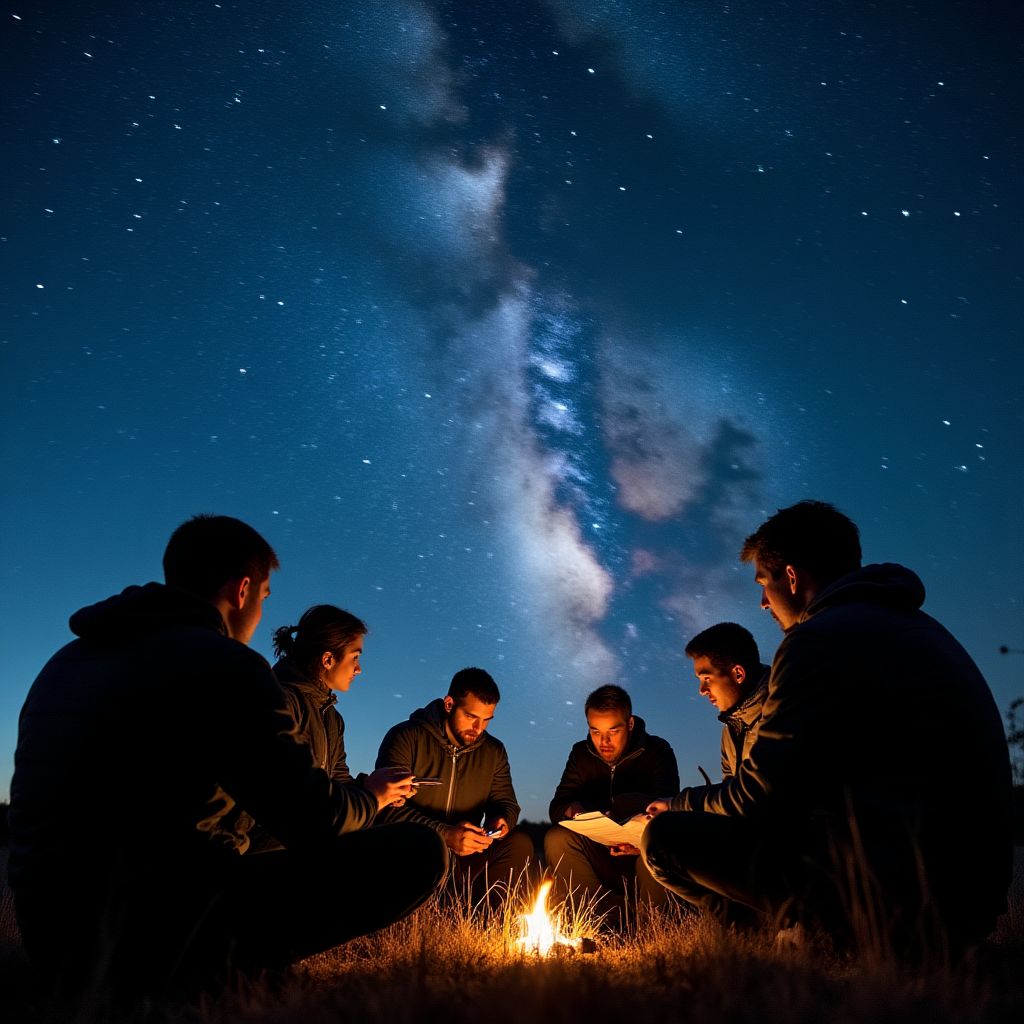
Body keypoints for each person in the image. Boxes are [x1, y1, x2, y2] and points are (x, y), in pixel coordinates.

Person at [8, 515, 447, 1001]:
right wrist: (371, 795)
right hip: (153, 934)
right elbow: (311, 818)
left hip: (52, 937)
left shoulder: (64, 663)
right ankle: (209, 970)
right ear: (243, 590)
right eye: (263, 597)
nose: (261, 612)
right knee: (419, 853)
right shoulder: (227, 667)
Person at [642, 500, 1013, 958]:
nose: (762, 602)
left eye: (764, 583)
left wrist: (680, 804)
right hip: (970, 897)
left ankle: (766, 952)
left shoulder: (814, 642)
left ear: (792, 577)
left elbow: (762, 798)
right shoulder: (924, 630)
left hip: (901, 900)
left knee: (665, 839)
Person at [375, 667, 533, 904]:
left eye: (486, 720)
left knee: (519, 843)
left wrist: (500, 820)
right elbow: (386, 808)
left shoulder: (494, 751)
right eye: (471, 717)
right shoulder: (406, 737)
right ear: (449, 704)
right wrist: (445, 835)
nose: (478, 729)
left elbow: (506, 802)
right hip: (414, 850)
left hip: (467, 854)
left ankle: (484, 921)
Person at [230, 604, 371, 854]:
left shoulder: (332, 718)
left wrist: (373, 790)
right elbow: (282, 796)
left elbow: (338, 779)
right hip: (262, 844)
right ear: (328, 659)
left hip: (307, 834)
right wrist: (371, 797)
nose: (359, 669)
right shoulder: (280, 701)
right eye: (355, 657)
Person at [545, 685, 679, 925]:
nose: (603, 741)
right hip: (600, 851)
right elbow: (557, 806)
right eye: (595, 731)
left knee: (658, 848)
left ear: (629, 724)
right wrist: (573, 809)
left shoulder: (657, 751)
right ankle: (602, 920)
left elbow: (670, 810)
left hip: (642, 852)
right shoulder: (581, 754)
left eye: (613, 731)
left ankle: (653, 927)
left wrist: (640, 840)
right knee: (557, 838)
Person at [684, 623, 769, 781]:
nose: (702, 691)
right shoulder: (730, 729)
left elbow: (756, 795)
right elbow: (731, 793)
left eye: (707, 678)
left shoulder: (779, 714)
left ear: (738, 674)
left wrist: (683, 801)